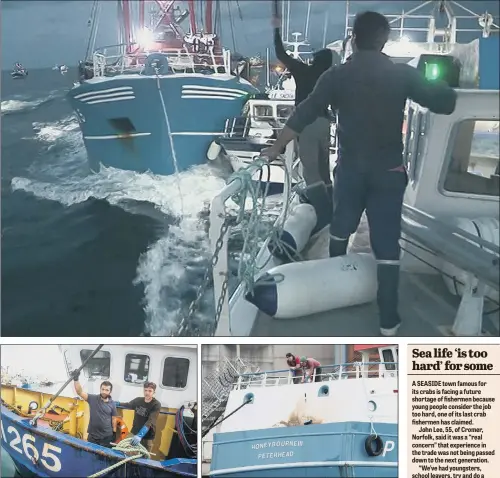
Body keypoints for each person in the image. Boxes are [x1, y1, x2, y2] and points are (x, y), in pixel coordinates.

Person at [262, 11, 457, 336]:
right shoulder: (402, 75)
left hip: (351, 171)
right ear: (385, 41)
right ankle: (388, 321)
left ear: (353, 38)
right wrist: (441, 83)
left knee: (340, 230)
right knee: (386, 245)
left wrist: (275, 148)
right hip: (388, 173)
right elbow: (445, 103)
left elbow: (304, 113)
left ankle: (338, 288)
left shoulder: (336, 76)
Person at [272, 13, 333, 234]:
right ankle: (331, 206)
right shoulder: (331, 77)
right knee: (324, 169)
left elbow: (281, 53)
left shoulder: (303, 71)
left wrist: (277, 30)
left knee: (310, 171)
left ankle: (325, 216)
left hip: (306, 123)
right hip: (325, 123)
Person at [72, 371, 118, 448]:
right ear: (100, 389)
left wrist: (114, 433)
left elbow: (114, 419)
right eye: (102, 389)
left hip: (106, 437)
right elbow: (79, 392)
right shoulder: (92, 398)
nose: (104, 392)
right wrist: (76, 379)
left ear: (110, 392)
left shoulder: (112, 404)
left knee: (104, 458)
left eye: (107, 390)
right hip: (93, 437)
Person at [115, 382, 161, 452]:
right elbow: (128, 405)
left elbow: (150, 421)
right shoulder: (138, 400)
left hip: (147, 436)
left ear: (154, 392)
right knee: (125, 449)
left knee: (145, 455)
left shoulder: (156, 404)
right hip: (134, 431)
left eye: (150, 391)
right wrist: (117, 403)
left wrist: (140, 435)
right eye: (145, 390)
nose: (147, 393)